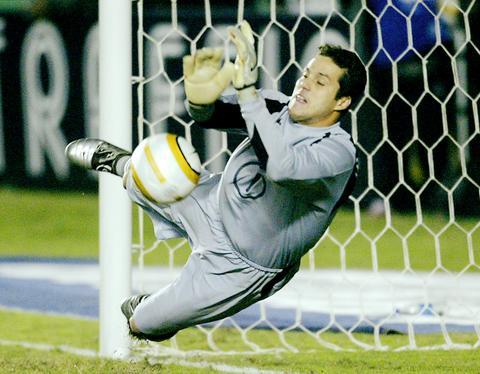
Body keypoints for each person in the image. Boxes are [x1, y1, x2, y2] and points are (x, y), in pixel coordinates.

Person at [66, 21, 367, 341]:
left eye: (320, 82)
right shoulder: (278, 106)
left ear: (341, 102)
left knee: (143, 324)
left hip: (242, 265)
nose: (305, 84)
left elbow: (280, 166)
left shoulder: (340, 154)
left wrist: (248, 89)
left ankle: (147, 309)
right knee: (159, 171)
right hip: (211, 201)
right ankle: (122, 163)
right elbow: (211, 116)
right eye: (306, 74)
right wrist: (199, 98)